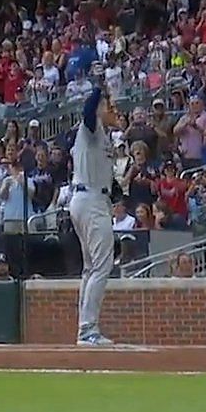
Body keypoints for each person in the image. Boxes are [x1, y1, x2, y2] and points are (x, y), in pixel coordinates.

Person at [68, 85, 119, 346]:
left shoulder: (102, 136)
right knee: (101, 266)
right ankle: (88, 329)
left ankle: (85, 328)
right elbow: (88, 110)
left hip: (89, 199)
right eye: (110, 106)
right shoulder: (91, 127)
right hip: (90, 201)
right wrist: (100, 89)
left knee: (91, 268)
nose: (114, 111)